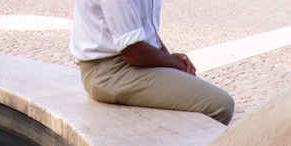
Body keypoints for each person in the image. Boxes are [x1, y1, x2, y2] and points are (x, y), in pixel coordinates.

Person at [70, 0, 234, 125]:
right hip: (108, 72)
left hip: (127, 63)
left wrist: (169, 57)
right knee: (220, 105)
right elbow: (133, 51)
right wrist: (176, 65)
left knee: (195, 93)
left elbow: (145, 33)